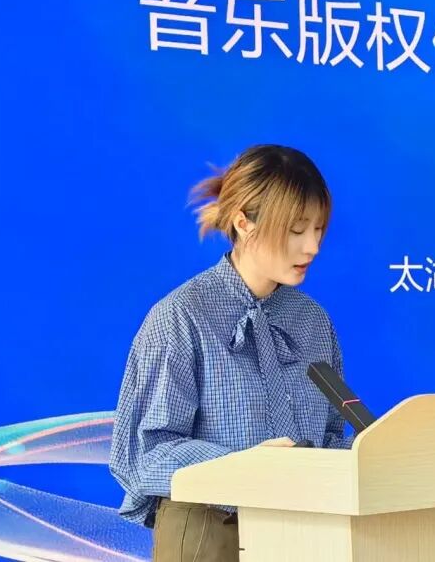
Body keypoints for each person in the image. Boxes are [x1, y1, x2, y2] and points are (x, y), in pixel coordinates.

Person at [108, 144, 351, 562]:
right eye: (296, 230)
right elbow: (144, 457)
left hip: (306, 534)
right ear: (243, 222)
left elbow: (329, 435)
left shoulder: (313, 321)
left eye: (318, 229)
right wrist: (244, 467)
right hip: (208, 533)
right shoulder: (181, 316)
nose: (312, 247)